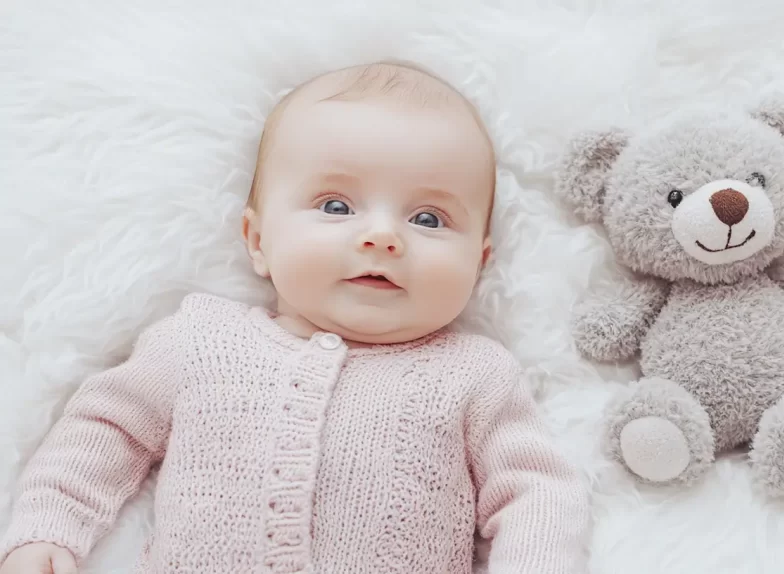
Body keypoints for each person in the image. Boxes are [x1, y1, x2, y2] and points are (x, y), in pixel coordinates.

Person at [0, 61, 591, 574]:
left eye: (430, 219)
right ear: (258, 240)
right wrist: (48, 526)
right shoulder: (199, 341)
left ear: (479, 263)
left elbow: (536, 491)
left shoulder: (475, 374)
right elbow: (107, 427)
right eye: (336, 206)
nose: (382, 236)